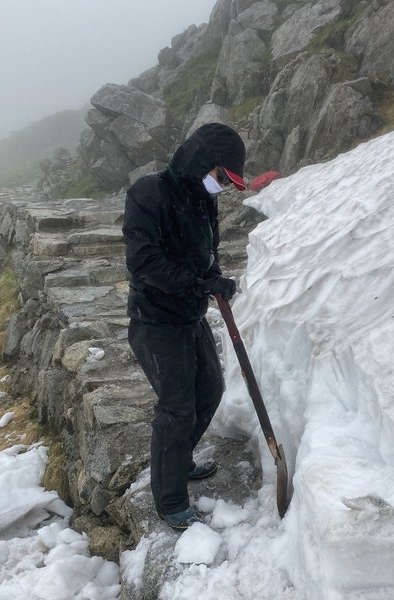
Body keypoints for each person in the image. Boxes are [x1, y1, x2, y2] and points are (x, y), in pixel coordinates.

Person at [122, 123, 247, 530]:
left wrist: (215, 276)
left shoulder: (200, 197)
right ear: (201, 163)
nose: (223, 188)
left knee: (210, 388)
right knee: (176, 407)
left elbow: (205, 247)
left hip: (189, 314)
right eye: (222, 177)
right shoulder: (149, 193)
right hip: (156, 319)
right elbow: (145, 263)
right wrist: (198, 283)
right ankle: (170, 498)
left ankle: (177, 460)